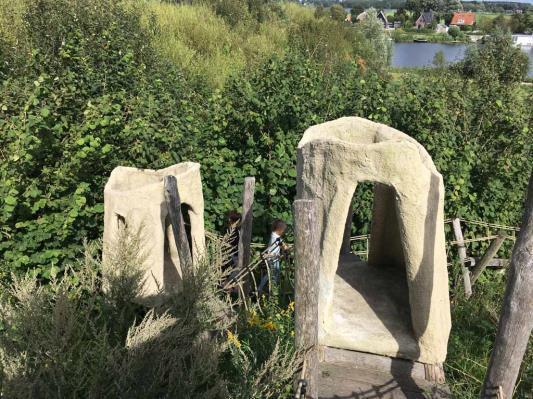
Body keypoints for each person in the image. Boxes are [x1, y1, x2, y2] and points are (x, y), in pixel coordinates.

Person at [257, 219, 288, 295]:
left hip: (274, 258)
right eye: (283, 230)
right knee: (273, 274)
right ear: (280, 229)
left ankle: (267, 288)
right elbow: (283, 246)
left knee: (272, 273)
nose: (283, 232)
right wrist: (286, 248)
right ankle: (270, 290)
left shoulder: (274, 235)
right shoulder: (276, 237)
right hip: (272, 258)